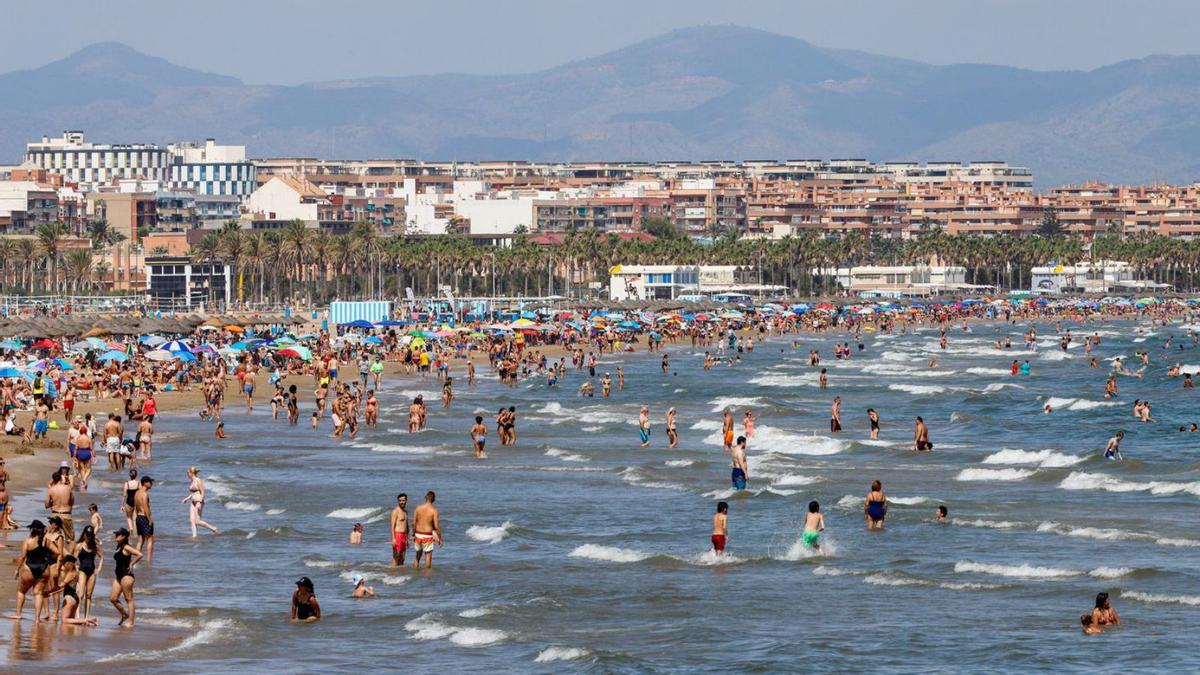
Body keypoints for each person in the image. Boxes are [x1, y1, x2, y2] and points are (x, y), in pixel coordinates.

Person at [7, 520, 60, 622]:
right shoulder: (46, 540)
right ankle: (37, 619)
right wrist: (48, 558)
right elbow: (57, 552)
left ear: (32, 529)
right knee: (38, 593)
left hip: (29, 569)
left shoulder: (28, 541)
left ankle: (18, 614)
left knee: (21, 591)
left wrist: (17, 570)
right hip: (44, 569)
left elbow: (22, 557)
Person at [109, 527, 142, 627]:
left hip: (126, 576)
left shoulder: (126, 547)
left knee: (129, 599)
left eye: (118, 534)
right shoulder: (119, 546)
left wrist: (132, 564)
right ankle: (124, 614)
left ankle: (131, 622)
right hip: (119, 576)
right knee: (113, 598)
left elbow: (140, 554)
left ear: (123, 536)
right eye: (116, 534)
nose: (116, 536)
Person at [52, 555, 97, 626]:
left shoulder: (70, 574)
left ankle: (86, 620)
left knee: (64, 620)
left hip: (69, 598)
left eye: (64, 563)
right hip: (74, 598)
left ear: (68, 564)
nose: (63, 565)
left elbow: (61, 586)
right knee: (72, 620)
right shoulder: (76, 572)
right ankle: (88, 620)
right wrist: (52, 592)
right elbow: (64, 587)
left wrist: (54, 582)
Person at [181, 467, 218, 537]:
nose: (187, 474)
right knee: (192, 521)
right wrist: (187, 498)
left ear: (192, 473)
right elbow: (193, 493)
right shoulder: (192, 481)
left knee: (197, 521)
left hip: (198, 502)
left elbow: (203, 491)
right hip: (192, 502)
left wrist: (199, 502)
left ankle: (213, 528)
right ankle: (194, 536)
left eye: (188, 473)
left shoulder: (198, 480)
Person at [74, 525, 102, 618]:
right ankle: (77, 615)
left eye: (90, 535)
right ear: (84, 534)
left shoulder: (94, 546)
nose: (88, 537)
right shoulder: (79, 545)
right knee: (81, 594)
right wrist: (76, 568)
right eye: (87, 535)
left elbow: (102, 557)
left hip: (92, 572)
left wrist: (99, 569)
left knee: (89, 595)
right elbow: (73, 559)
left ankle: (86, 616)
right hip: (82, 571)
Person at [412, 491, 442, 569]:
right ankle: (426, 578)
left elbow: (413, 523)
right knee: (428, 558)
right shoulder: (434, 510)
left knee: (417, 557)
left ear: (426, 498)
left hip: (418, 534)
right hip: (427, 536)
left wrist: (413, 534)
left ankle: (415, 574)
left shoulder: (418, 508)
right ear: (433, 499)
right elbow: (436, 527)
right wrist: (440, 538)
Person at [45, 470, 75, 542]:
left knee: (52, 538)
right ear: (61, 479)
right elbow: (72, 502)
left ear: (53, 480)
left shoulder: (51, 490)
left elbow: (46, 505)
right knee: (70, 539)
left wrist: (53, 503)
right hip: (66, 514)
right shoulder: (68, 488)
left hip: (55, 515)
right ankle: (69, 553)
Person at [133, 476, 155, 563]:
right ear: (145, 483)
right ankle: (149, 562)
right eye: (150, 482)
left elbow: (135, 507)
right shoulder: (145, 494)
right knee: (150, 540)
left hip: (138, 517)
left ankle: (135, 561)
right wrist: (149, 519)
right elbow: (145, 507)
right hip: (144, 518)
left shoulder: (137, 493)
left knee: (140, 540)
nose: (151, 484)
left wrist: (137, 518)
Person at [390, 494, 410, 567]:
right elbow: (392, 526)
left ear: (406, 501)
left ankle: (399, 574)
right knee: (396, 557)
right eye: (400, 500)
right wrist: (393, 538)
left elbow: (407, 526)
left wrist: (407, 539)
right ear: (398, 501)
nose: (401, 502)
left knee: (403, 558)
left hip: (404, 536)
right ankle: (392, 573)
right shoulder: (395, 511)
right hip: (397, 535)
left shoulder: (405, 512)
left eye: (403, 500)